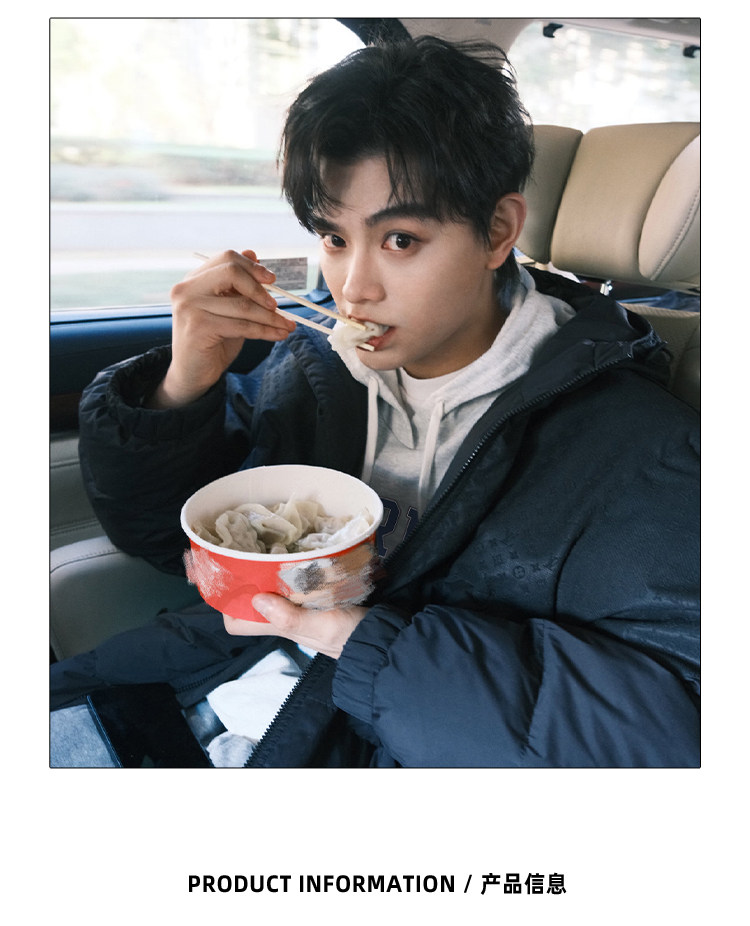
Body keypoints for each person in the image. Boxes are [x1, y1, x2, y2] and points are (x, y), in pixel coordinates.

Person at [50, 36, 700, 767]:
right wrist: (182, 386)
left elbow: (670, 733)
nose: (353, 288)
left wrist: (362, 641)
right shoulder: (317, 369)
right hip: (208, 683)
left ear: (497, 233)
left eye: (400, 240)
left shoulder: (640, 448)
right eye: (333, 237)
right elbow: (159, 537)